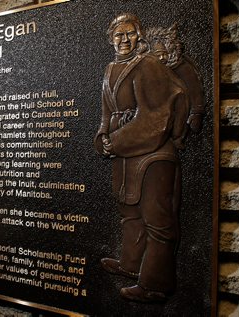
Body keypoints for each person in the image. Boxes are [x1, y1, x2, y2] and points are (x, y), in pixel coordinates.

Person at [94, 13, 190, 302]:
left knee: (156, 218)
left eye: (129, 34)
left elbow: (155, 115)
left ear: (139, 36)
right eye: (118, 35)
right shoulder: (111, 68)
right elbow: (107, 113)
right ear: (111, 40)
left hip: (153, 154)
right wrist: (103, 139)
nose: (124, 40)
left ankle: (156, 284)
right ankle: (131, 265)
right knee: (130, 211)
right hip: (126, 153)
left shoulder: (149, 65)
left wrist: (117, 140)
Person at [146, 24, 205, 133]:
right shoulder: (146, 71)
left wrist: (196, 112)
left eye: (164, 54)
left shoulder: (182, 68)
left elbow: (194, 88)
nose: (162, 58)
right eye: (158, 55)